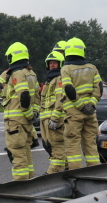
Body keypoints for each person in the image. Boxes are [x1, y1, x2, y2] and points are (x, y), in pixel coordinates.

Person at [0, 42, 39, 180]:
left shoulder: (17, 74)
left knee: (17, 154)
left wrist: (29, 114)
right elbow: (37, 95)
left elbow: (24, 95)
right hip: (25, 122)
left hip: (16, 122)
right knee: (26, 153)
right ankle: (30, 179)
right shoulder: (31, 73)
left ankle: (20, 184)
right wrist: (34, 113)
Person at [59, 37, 102, 168]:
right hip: (90, 113)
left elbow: (68, 88)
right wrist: (92, 104)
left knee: (73, 147)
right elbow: (99, 87)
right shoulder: (92, 67)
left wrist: (81, 106)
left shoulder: (66, 68)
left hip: (74, 113)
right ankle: (96, 174)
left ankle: (76, 177)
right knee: (91, 145)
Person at [40, 50, 66, 173]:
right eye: (50, 63)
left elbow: (60, 99)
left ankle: (51, 175)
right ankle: (65, 172)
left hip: (55, 121)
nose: (52, 65)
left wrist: (55, 118)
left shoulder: (59, 79)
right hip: (46, 121)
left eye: (55, 63)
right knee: (49, 147)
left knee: (57, 149)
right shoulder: (48, 81)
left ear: (60, 64)